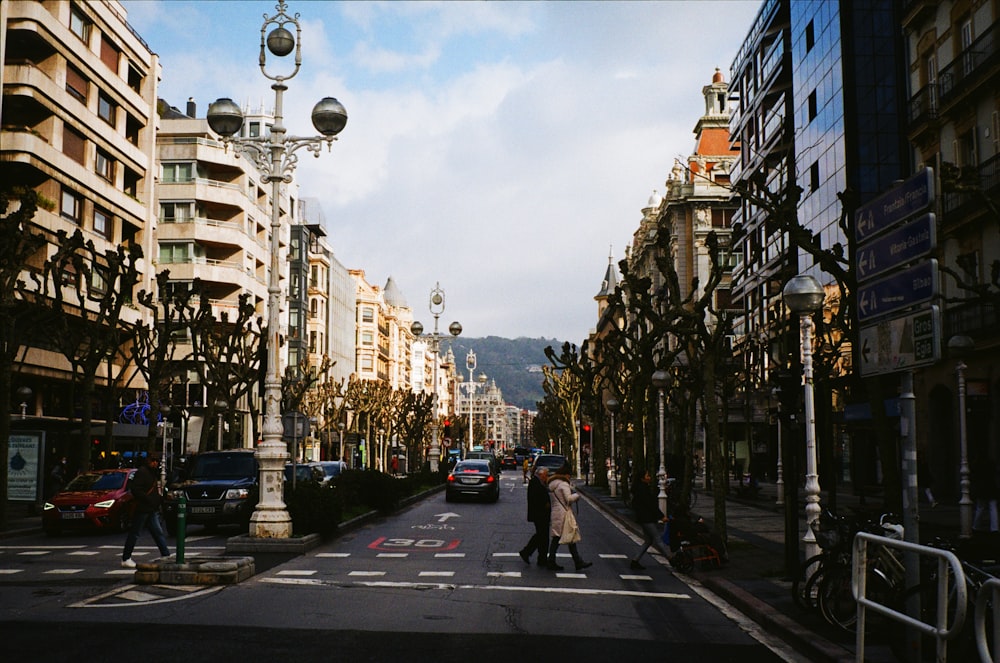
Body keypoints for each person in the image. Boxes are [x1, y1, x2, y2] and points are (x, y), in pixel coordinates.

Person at [121, 453, 171, 568]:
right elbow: (136, 489)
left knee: (157, 532)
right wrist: (149, 499)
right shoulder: (143, 472)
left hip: (150, 508)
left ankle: (166, 554)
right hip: (143, 508)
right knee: (135, 533)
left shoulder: (151, 473)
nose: (155, 463)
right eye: (153, 460)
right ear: (148, 461)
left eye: (157, 461)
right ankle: (126, 557)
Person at [546, 462, 591, 571]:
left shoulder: (552, 484)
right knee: (567, 536)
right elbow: (569, 499)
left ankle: (575, 561)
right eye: (569, 475)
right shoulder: (563, 484)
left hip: (556, 513)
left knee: (560, 538)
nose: (569, 477)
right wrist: (577, 495)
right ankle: (573, 561)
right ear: (565, 475)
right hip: (564, 514)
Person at [629, 469, 670, 570]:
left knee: (648, 541)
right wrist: (661, 516)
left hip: (643, 518)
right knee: (657, 538)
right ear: (642, 478)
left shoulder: (639, 489)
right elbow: (651, 505)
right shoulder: (643, 490)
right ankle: (671, 559)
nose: (649, 477)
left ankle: (635, 561)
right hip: (647, 518)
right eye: (647, 476)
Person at [518, 467, 551, 565]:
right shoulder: (535, 483)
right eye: (546, 475)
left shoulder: (538, 482)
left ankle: (540, 558)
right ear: (541, 474)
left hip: (540, 513)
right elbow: (537, 498)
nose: (547, 477)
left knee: (542, 536)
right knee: (542, 535)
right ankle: (527, 552)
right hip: (540, 513)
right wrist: (546, 504)